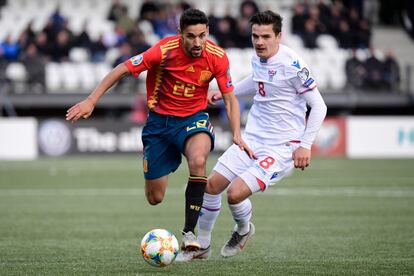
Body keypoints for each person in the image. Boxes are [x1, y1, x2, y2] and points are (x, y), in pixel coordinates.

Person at [65, 8, 253, 252]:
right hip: (159, 125)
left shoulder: (217, 56)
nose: (198, 42)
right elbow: (122, 69)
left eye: (202, 35)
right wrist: (91, 100)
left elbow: (230, 98)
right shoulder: (163, 51)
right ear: (180, 34)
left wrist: (237, 132)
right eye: (191, 36)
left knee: (198, 161)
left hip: (193, 119)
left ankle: (190, 234)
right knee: (155, 198)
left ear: (208, 32)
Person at [176, 10, 327, 261]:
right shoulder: (258, 58)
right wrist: (227, 92)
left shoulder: (293, 64)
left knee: (235, 194)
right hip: (253, 138)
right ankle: (201, 246)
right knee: (211, 186)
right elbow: (258, 80)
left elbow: (319, 106)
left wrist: (305, 145)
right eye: (255, 36)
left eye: (266, 36)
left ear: (279, 36)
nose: (259, 42)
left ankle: (243, 230)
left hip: (282, 147)